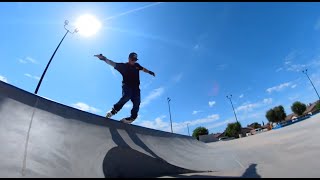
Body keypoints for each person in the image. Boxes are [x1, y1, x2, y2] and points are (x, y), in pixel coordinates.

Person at [94, 52, 155, 124]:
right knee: (127, 96)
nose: (133, 61)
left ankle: (132, 118)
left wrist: (149, 72)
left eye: (135, 60)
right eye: (132, 59)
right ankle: (113, 111)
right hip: (127, 85)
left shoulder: (137, 65)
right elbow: (112, 63)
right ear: (129, 58)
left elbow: (143, 69)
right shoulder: (123, 66)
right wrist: (103, 58)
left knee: (137, 102)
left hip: (136, 88)